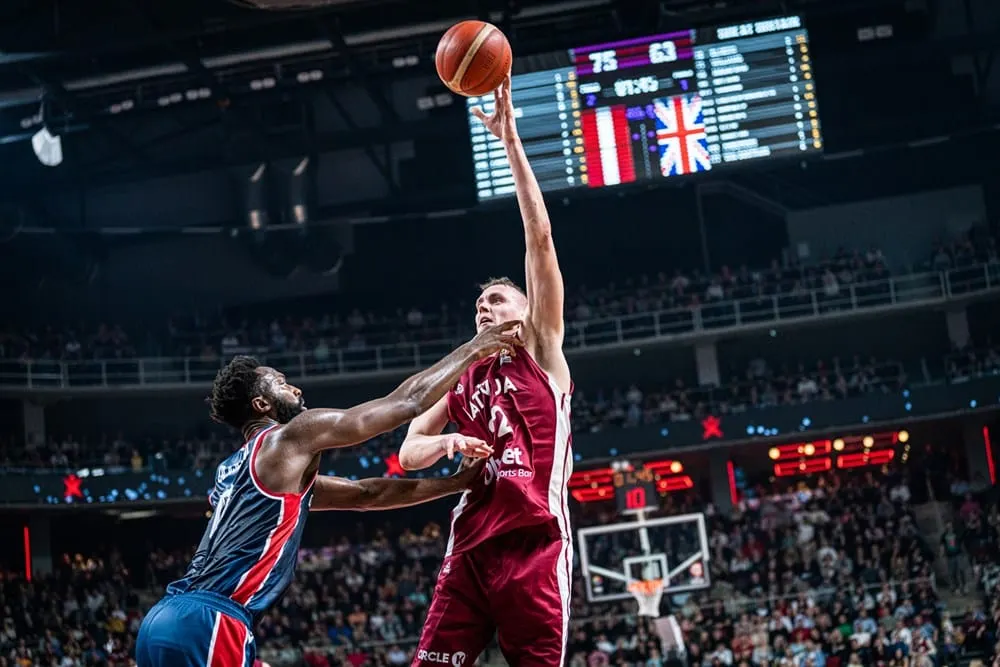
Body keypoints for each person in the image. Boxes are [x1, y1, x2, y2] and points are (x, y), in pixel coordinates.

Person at [134, 322, 518, 667]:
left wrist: (455, 483)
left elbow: (366, 494)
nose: (296, 388)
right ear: (262, 404)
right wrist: (474, 349)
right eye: (281, 382)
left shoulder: (235, 470)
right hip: (214, 619)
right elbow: (406, 404)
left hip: (162, 621)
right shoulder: (290, 436)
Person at [399, 76, 573, 666]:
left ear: (528, 311)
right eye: (480, 304)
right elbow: (408, 452)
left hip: (535, 543)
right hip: (469, 544)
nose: (485, 306)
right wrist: (446, 438)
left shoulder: (543, 349)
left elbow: (541, 239)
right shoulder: (461, 378)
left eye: (499, 299)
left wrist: (511, 142)